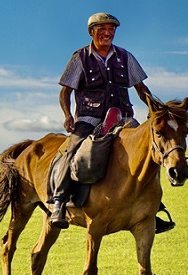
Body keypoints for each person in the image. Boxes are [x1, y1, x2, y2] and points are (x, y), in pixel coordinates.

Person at [49, 12, 175, 233]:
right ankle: (59, 203)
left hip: (123, 117)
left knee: (149, 149)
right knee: (72, 151)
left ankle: (153, 208)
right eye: (102, 29)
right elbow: (65, 92)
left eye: (111, 29)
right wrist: (68, 115)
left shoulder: (126, 57)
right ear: (92, 32)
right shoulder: (79, 58)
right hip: (90, 118)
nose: (107, 33)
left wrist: (154, 108)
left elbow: (140, 88)